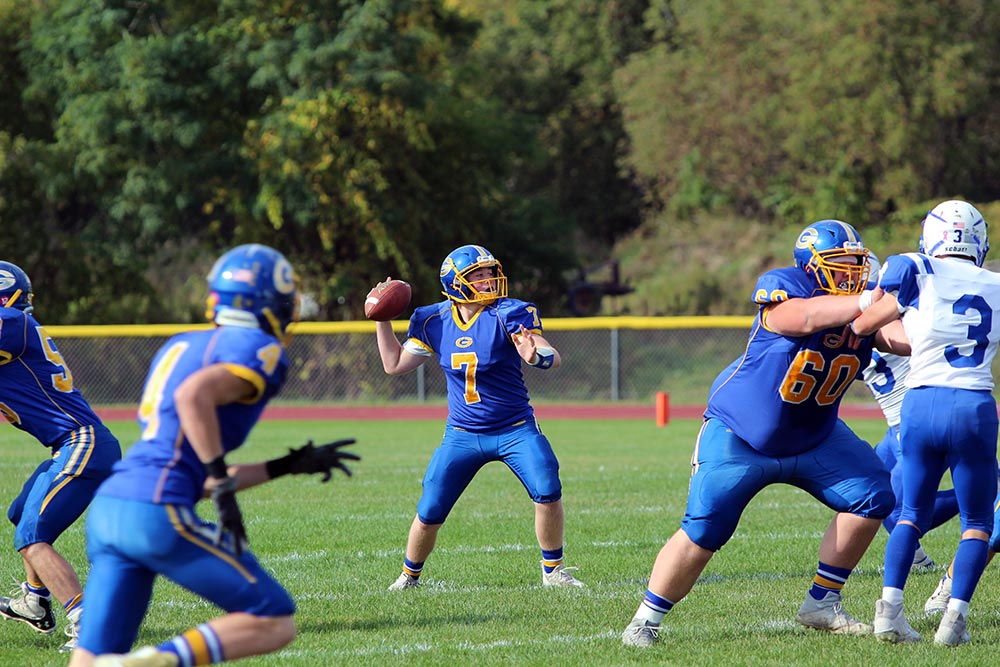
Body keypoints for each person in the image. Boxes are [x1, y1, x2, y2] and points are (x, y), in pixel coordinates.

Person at [67, 244, 361, 667]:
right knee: (274, 620)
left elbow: (192, 472)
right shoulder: (261, 347)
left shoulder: (180, 344)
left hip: (113, 508)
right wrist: (224, 489)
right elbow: (194, 396)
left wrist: (285, 465)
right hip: (154, 512)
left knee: (91, 659)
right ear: (268, 300)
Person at [621, 220, 907, 647]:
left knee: (873, 494)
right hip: (741, 435)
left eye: (856, 264)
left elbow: (900, 340)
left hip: (815, 436)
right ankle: (645, 620)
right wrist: (868, 299)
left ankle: (822, 603)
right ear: (812, 267)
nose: (852, 273)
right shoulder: (786, 286)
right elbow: (803, 317)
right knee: (705, 529)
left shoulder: (862, 311)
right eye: (841, 264)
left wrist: (937, 319)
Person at [375, 244, 584, 590]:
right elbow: (393, 364)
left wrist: (537, 357)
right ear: (456, 282)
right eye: (479, 274)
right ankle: (408, 577)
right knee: (430, 509)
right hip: (463, 433)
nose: (489, 279)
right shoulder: (433, 320)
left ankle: (553, 572)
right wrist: (382, 319)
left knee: (547, 487)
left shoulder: (509, 312)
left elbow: (548, 353)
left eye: (490, 272)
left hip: (515, 428)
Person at [852, 200, 1000, 646]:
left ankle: (888, 612)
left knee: (910, 516)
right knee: (977, 522)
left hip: (920, 402)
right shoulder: (995, 284)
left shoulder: (913, 266)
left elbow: (864, 325)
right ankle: (954, 619)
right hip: (973, 404)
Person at [0, 261, 122, 652]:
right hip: (71, 445)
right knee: (22, 513)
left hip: (81, 442)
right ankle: (35, 601)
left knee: (32, 537)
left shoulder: (12, 322)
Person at [862, 256, 959, 572]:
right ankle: (918, 560)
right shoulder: (847, 320)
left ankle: (989, 488)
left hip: (920, 418)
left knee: (901, 510)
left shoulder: (899, 315)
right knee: (870, 492)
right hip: (895, 427)